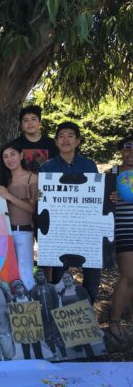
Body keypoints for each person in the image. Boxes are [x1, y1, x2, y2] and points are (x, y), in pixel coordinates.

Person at [39, 121, 100, 302]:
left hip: (86, 228)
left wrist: (108, 197)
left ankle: (88, 315)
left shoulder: (89, 166)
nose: (65, 140)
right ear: (56, 142)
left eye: (70, 136)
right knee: (58, 274)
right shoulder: (46, 167)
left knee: (92, 272)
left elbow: (97, 194)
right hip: (58, 231)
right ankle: (60, 316)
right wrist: (38, 196)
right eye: (61, 136)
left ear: (78, 141)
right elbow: (42, 197)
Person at [0, 141, 38, 290]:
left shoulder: (32, 178)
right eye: (5, 156)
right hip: (4, 234)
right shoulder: (3, 181)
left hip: (24, 232)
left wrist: (9, 196)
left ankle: (32, 310)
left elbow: (33, 208)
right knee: (6, 275)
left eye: (13, 154)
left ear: (21, 155)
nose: (10, 159)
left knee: (25, 275)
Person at [108, 136, 133, 341]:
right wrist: (110, 197)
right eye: (127, 148)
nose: (131, 153)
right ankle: (114, 321)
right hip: (123, 230)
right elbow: (97, 201)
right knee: (129, 276)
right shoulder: (111, 174)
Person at [30, 268, 66, 359]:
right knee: (48, 337)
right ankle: (54, 354)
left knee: (57, 337)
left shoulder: (50, 287)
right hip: (43, 318)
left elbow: (56, 300)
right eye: (38, 275)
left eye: (42, 275)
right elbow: (32, 303)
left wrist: (55, 312)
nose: (40, 277)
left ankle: (64, 355)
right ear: (36, 277)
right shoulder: (34, 289)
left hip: (53, 316)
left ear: (44, 277)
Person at [12, 105, 58, 173]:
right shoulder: (14, 145)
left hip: (46, 183)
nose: (30, 123)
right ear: (21, 125)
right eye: (26, 120)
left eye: (33, 119)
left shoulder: (52, 144)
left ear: (40, 122)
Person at [58, 271, 94, 357]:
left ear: (72, 278)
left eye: (68, 277)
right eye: (64, 278)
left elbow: (88, 303)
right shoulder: (62, 292)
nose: (67, 279)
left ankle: (90, 358)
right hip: (70, 322)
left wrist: (90, 316)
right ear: (62, 280)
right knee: (76, 344)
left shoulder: (81, 289)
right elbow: (60, 307)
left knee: (86, 342)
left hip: (82, 321)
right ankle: (79, 360)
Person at [11, 279, 43, 359]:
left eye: (20, 287)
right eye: (17, 288)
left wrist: (39, 309)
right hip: (22, 330)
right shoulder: (13, 302)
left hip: (33, 329)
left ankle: (41, 364)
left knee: (37, 350)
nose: (19, 289)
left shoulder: (30, 299)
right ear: (15, 290)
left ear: (23, 288)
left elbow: (35, 313)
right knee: (26, 352)